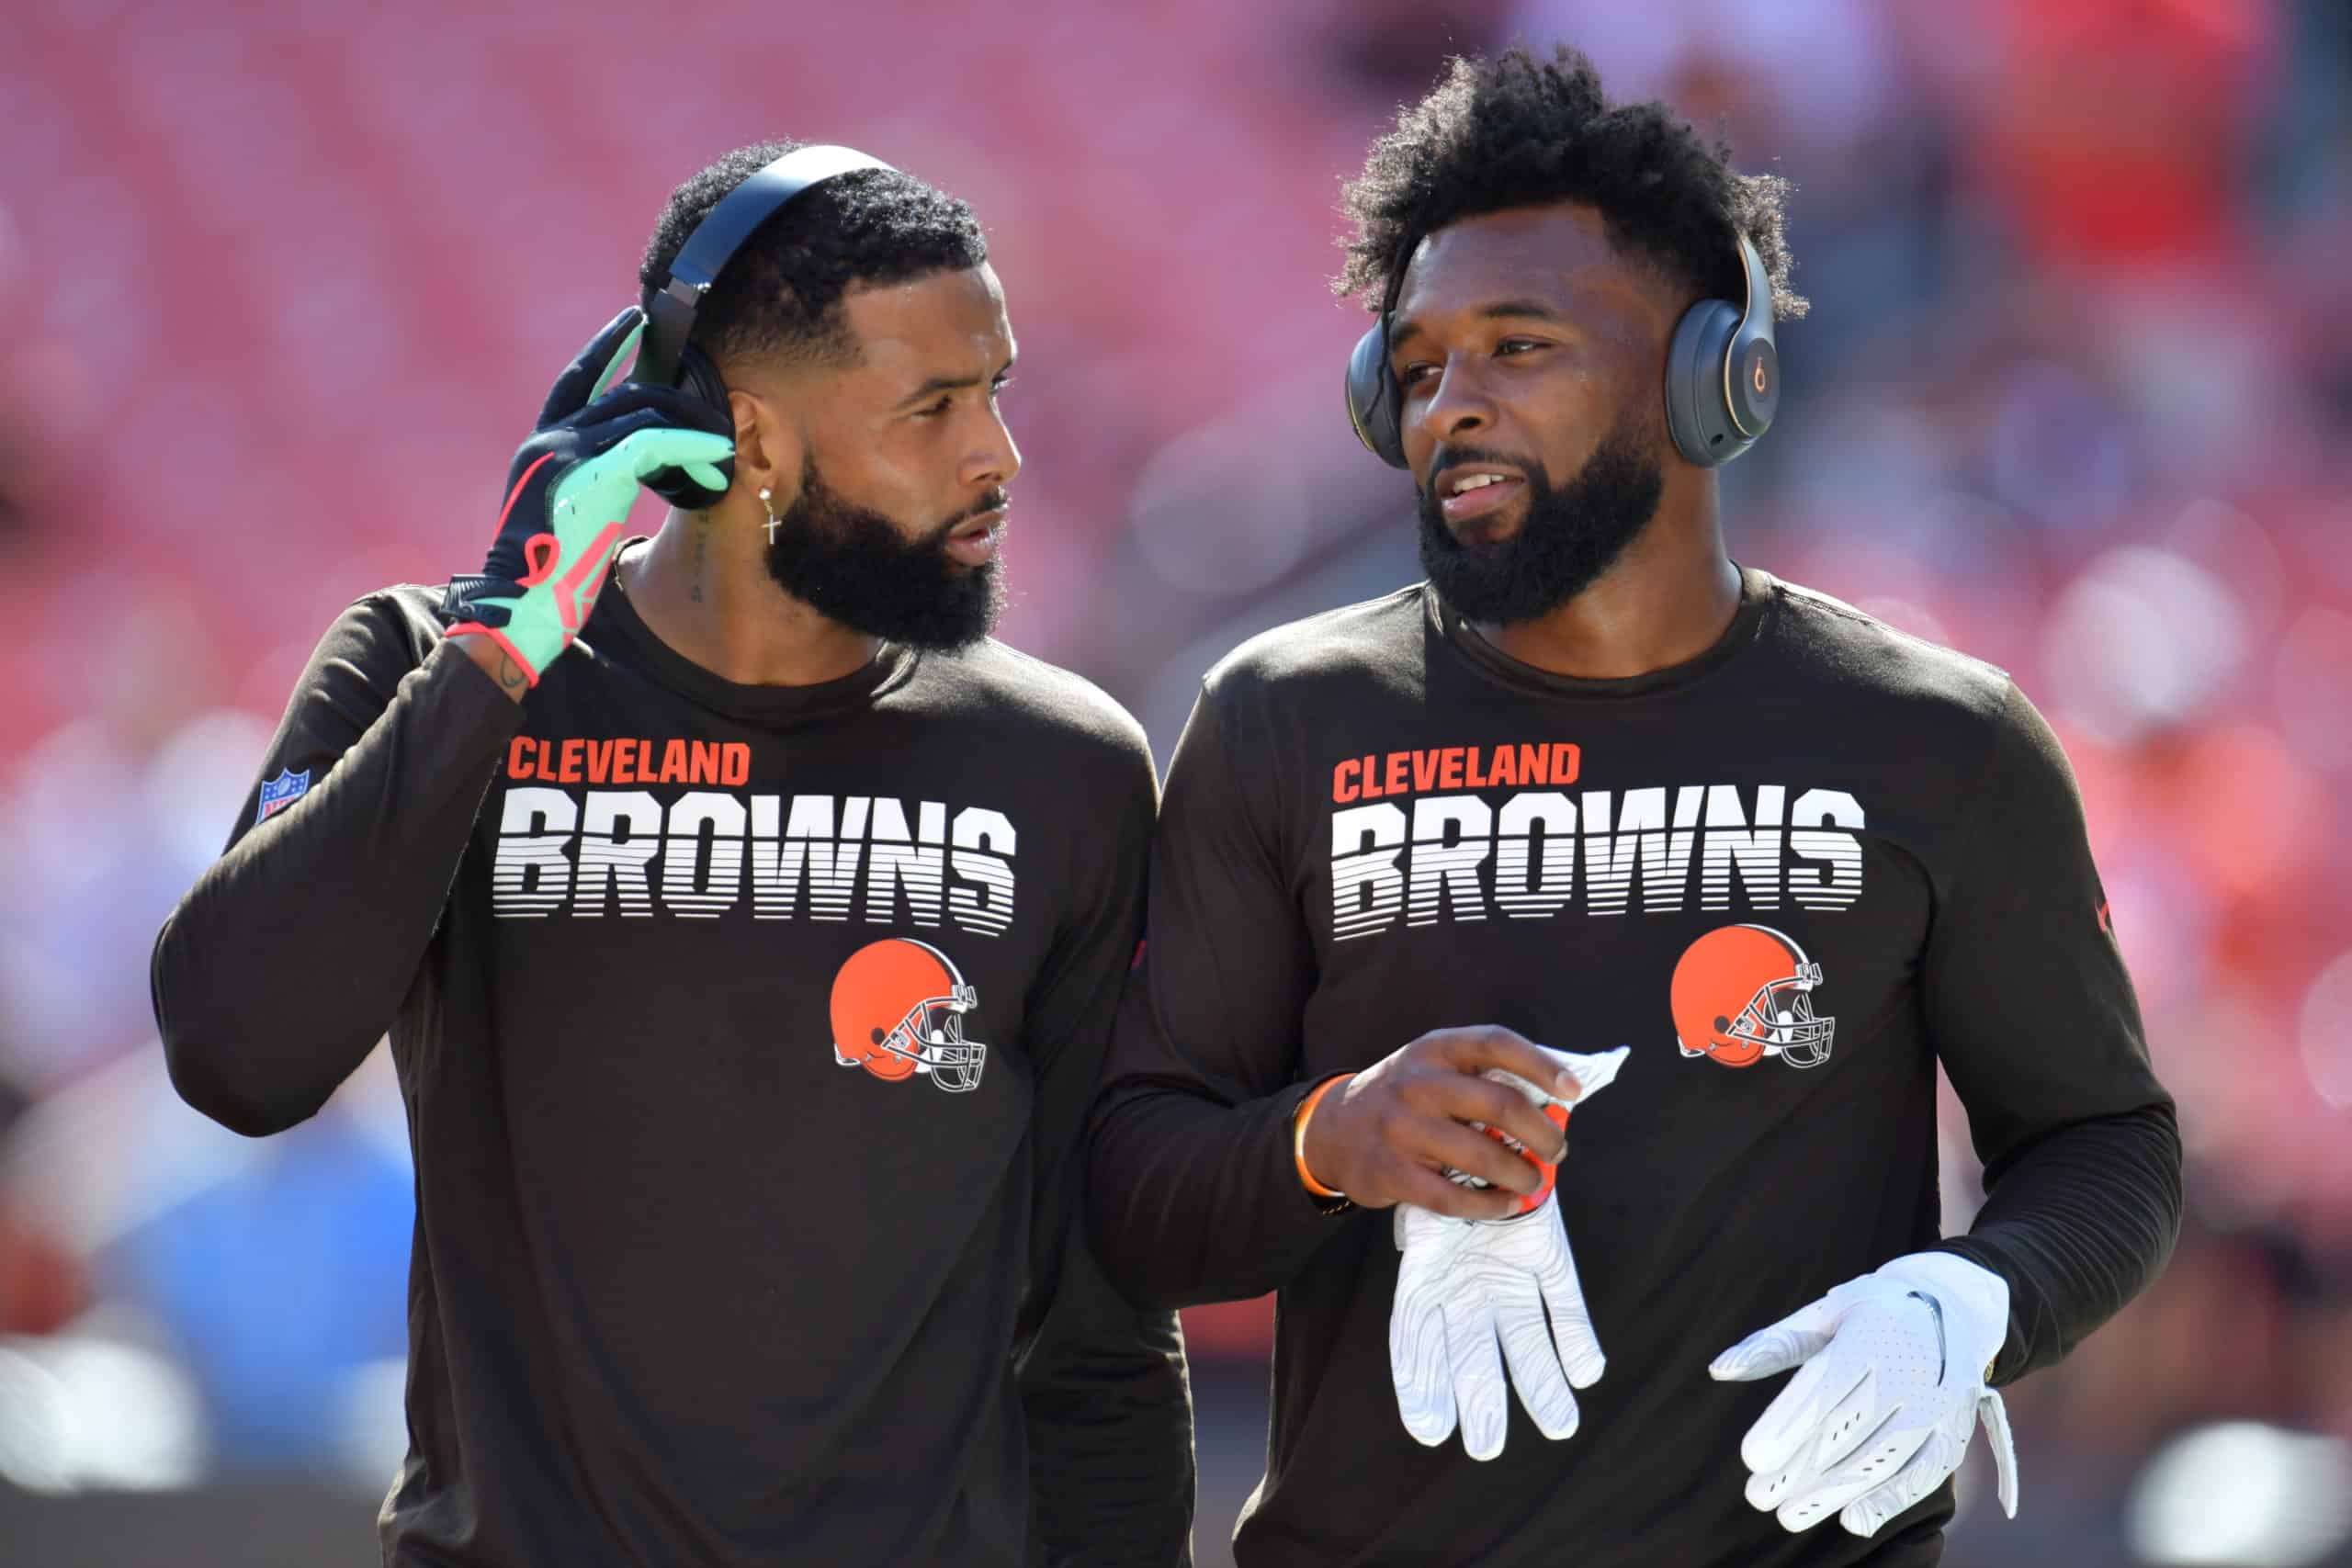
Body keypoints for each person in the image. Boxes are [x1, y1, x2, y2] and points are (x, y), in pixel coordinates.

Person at [1086, 46, 2180, 1567]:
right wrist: (1341, 1138)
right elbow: (1137, 1192)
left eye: (1517, 349)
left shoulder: (1942, 741)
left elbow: (2105, 1143)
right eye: (1414, 367)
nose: (1447, 410)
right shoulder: (1284, 721)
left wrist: (1985, 1294)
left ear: (1707, 375)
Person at [153, 141, 1193, 1568]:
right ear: (746, 433)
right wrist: (495, 654)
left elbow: (1099, 1326)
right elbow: (235, 1056)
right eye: (934, 406)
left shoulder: (1066, 765)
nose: (997, 455)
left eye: (995, 390)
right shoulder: (427, 672)